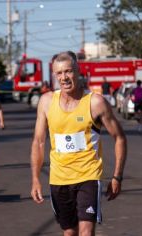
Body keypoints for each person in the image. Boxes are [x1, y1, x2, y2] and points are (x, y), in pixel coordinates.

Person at [30, 51, 127, 236]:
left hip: (88, 176)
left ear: (78, 70)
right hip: (59, 179)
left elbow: (120, 138)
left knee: (86, 232)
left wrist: (117, 176)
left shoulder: (95, 102)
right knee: (69, 232)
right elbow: (39, 142)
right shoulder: (46, 102)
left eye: (68, 71)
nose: (64, 77)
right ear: (54, 75)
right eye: (59, 73)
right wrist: (35, 178)